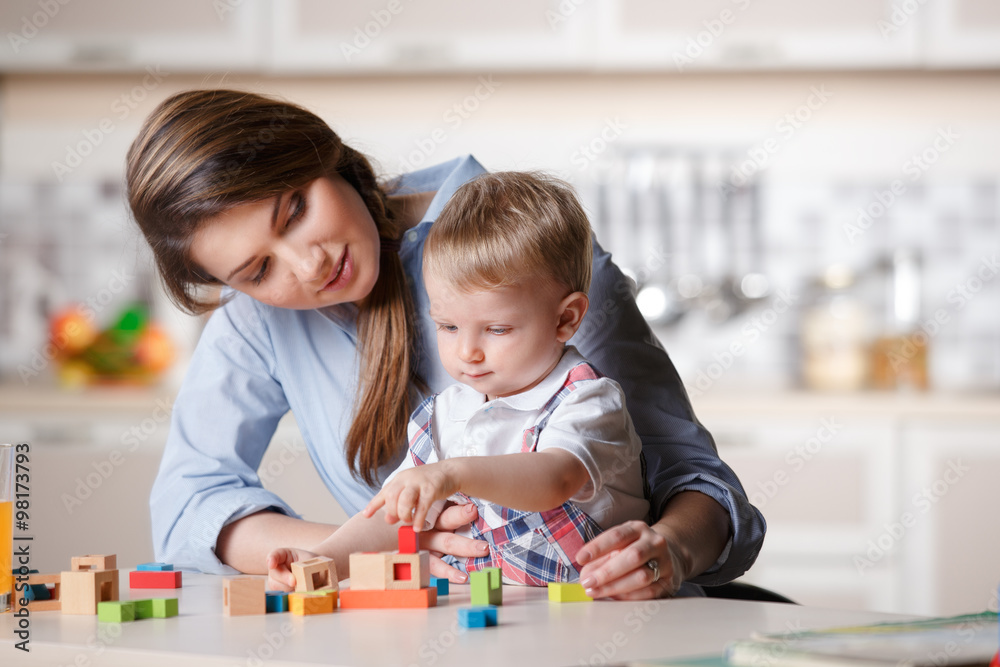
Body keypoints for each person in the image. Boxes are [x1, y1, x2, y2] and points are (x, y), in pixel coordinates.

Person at [127, 89, 765, 600]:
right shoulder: (258, 317)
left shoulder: (518, 250)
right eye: (258, 271)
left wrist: (673, 551)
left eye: (294, 210)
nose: (307, 263)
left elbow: (697, 482)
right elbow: (189, 510)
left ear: (320, 152)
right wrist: (372, 547)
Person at [265, 171, 650, 589]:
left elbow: (554, 479)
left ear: (566, 319)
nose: (468, 352)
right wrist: (321, 560)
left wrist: (452, 473)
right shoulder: (443, 416)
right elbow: (392, 518)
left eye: (498, 329)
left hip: (593, 618)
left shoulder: (589, 401)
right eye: (448, 327)